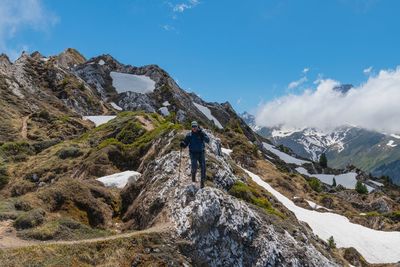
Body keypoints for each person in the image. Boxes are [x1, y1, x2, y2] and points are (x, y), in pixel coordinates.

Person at [180, 121, 210, 188]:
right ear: (191, 127)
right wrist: (183, 144)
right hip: (193, 153)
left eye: (195, 126)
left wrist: (203, 135)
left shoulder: (201, 133)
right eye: (193, 126)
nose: (194, 128)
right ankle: (193, 179)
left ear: (197, 126)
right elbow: (186, 143)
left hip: (201, 153)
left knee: (203, 168)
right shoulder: (189, 135)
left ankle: (202, 183)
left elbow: (208, 140)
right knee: (194, 167)